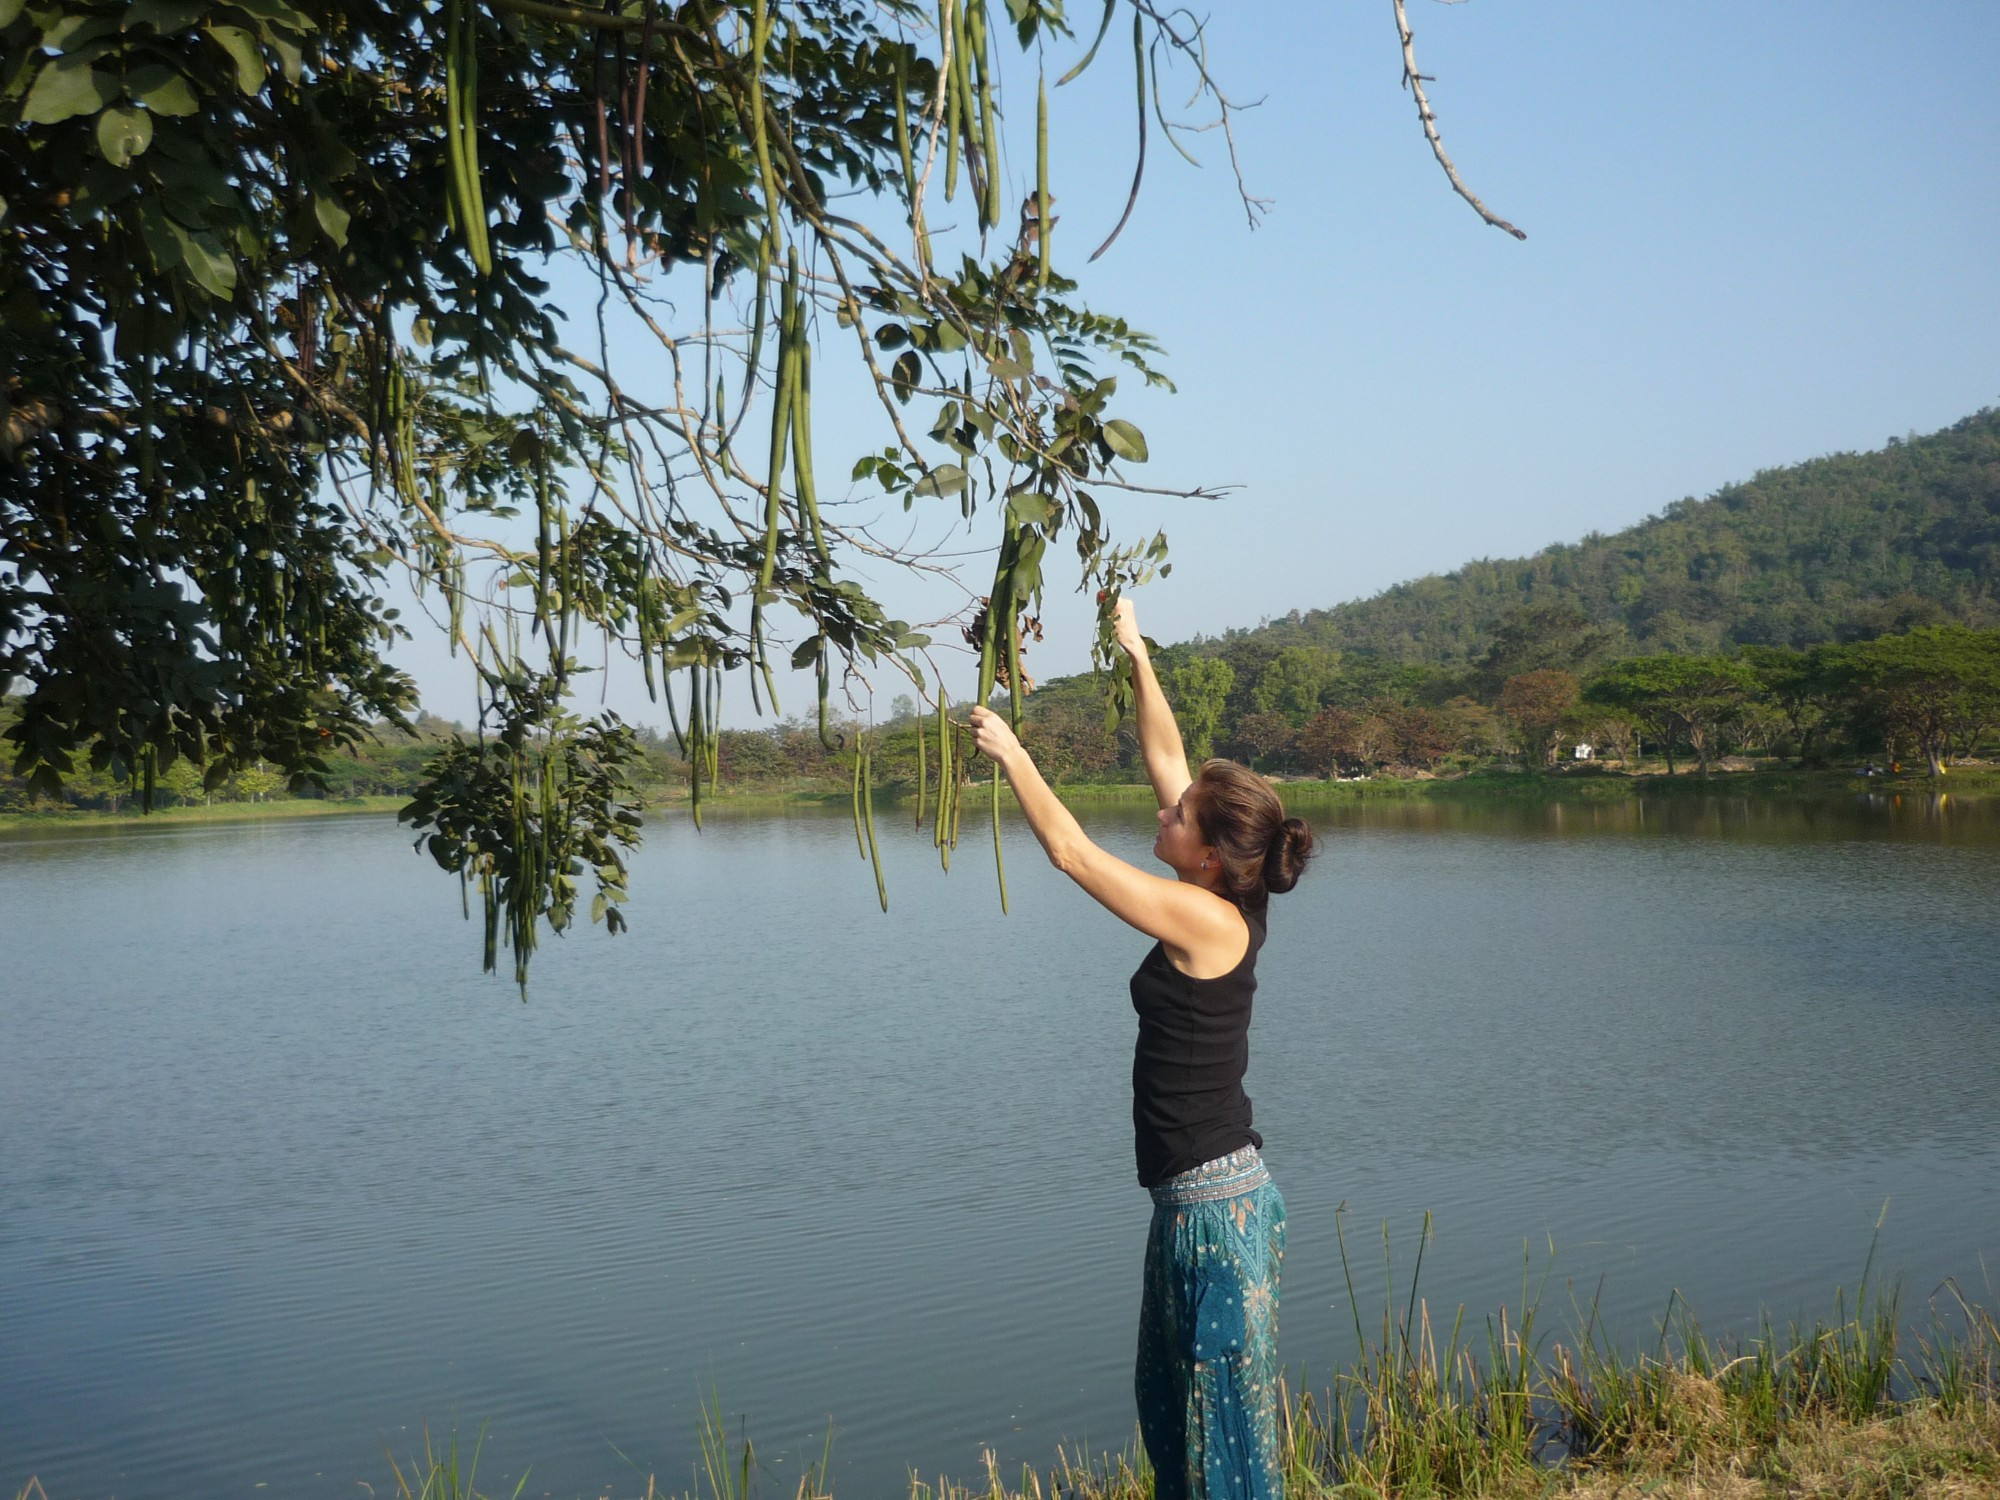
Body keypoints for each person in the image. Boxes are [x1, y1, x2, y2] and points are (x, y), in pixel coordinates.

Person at [968, 598, 1315, 1500]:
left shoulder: (1203, 917)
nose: (1162, 811)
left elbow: (1074, 856)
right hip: (1193, 1207)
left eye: (1180, 816)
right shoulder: (1222, 893)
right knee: (1173, 1415)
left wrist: (1013, 755)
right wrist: (1137, 654)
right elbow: (1169, 756)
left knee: (1219, 1435)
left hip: (1217, 1219)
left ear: (1206, 856)